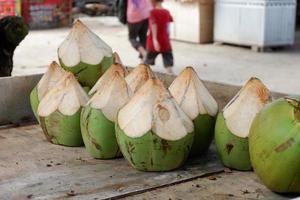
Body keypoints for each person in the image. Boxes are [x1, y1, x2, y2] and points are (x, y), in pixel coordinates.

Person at [145, 0, 174, 74]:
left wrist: (155, 40)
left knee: (147, 64)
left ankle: (143, 78)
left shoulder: (152, 12)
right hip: (165, 41)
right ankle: (171, 78)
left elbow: (153, 24)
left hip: (153, 42)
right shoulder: (166, 12)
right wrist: (167, 36)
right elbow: (169, 24)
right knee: (168, 64)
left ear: (153, 1)